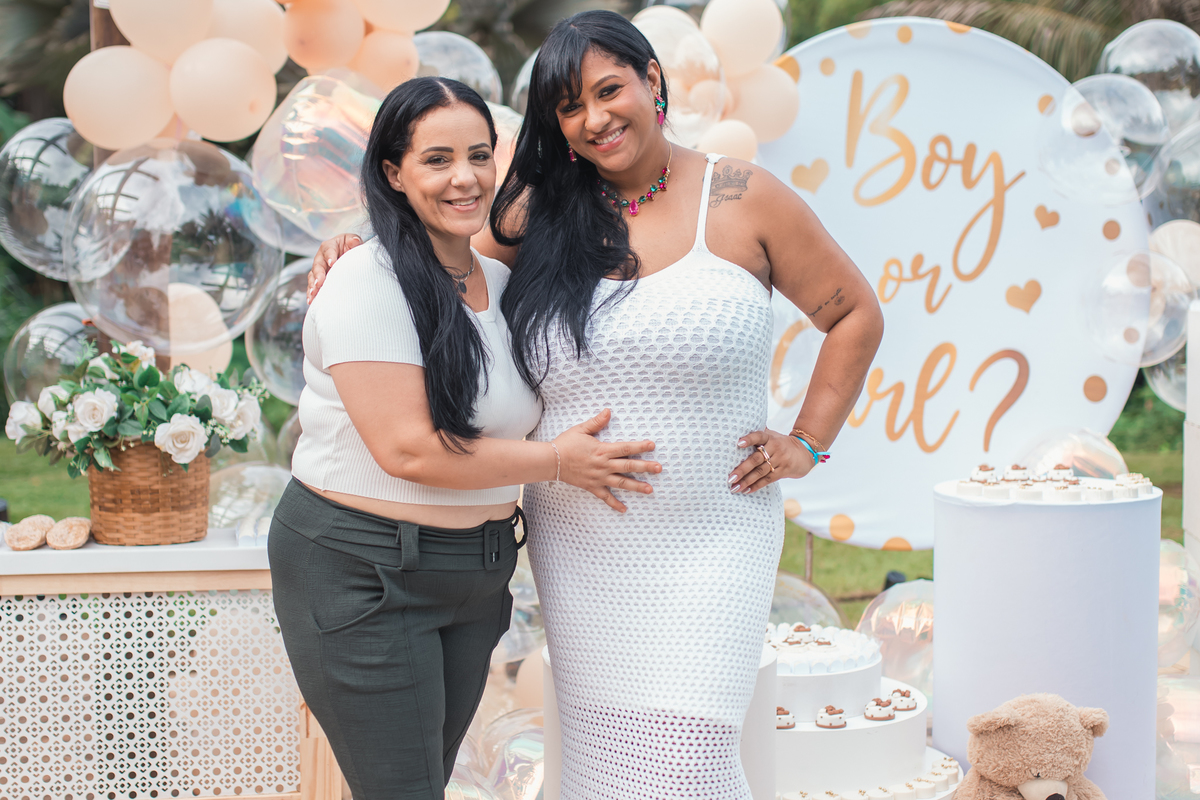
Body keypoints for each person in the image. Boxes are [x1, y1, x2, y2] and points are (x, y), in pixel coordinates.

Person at [307, 12, 884, 799]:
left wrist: (808, 442)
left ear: (653, 81)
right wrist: (356, 250)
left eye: (609, 90)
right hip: (581, 538)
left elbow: (853, 313)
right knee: (604, 763)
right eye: (569, 107)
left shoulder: (743, 196)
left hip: (716, 531)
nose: (594, 118)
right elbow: (438, 264)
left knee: (688, 761)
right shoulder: (536, 211)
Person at [268, 76, 661, 800]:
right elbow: (408, 450)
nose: (465, 177)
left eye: (479, 156)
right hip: (366, 570)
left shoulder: (501, 284)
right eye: (437, 159)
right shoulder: (366, 281)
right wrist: (558, 462)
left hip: (475, 576)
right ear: (394, 173)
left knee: (423, 781)